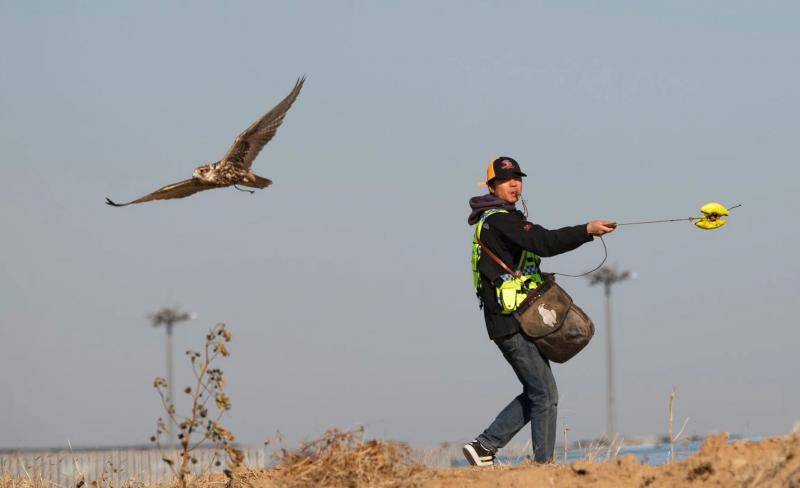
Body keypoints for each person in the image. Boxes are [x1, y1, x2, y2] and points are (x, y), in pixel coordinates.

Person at [463, 156, 616, 466]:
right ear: (492, 186)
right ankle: (541, 465)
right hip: (509, 323)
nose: (515, 183)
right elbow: (544, 242)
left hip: (517, 319)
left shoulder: (505, 218)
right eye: (507, 179)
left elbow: (538, 242)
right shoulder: (500, 220)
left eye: (518, 178)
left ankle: (484, 447)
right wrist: (586, 230)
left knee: (539, 391)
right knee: (544, 393)